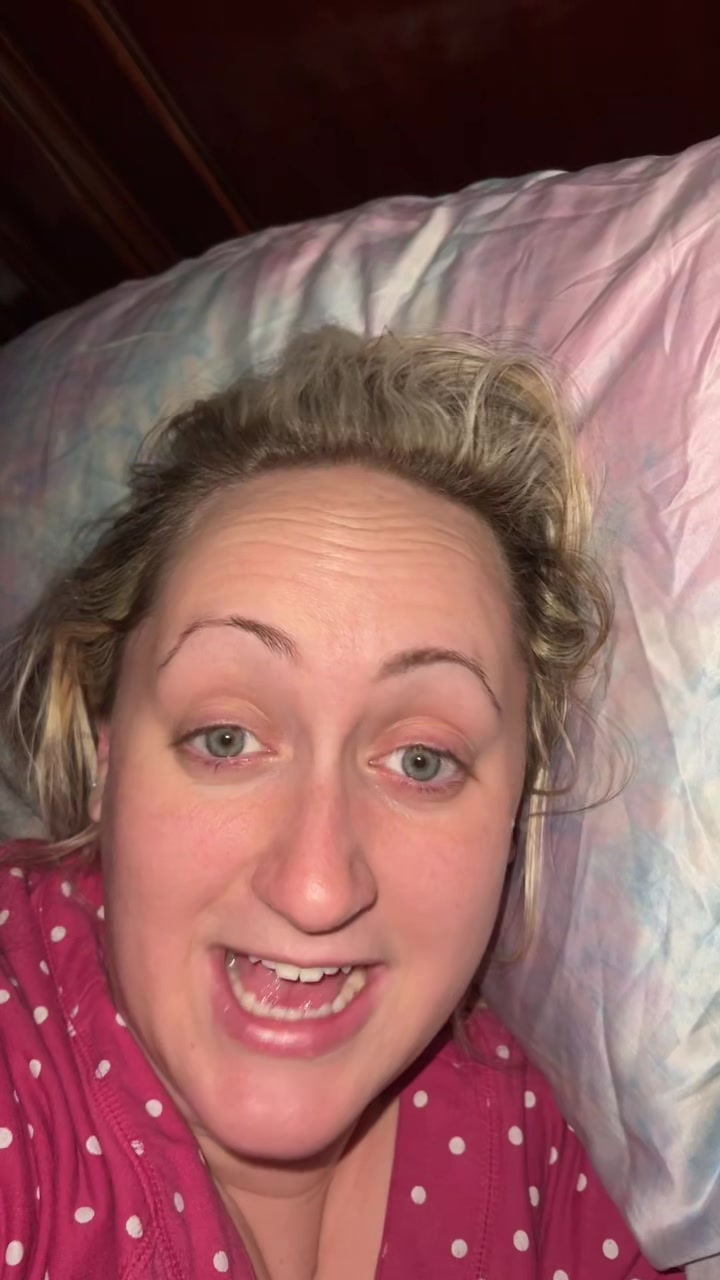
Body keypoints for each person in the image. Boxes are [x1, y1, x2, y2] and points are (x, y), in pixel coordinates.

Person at [0, 327, 681, 1279]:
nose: (317, 888)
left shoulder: (530, 1149)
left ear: (513, 819)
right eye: (226, 739)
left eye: (421, 760)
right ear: (106, 757)